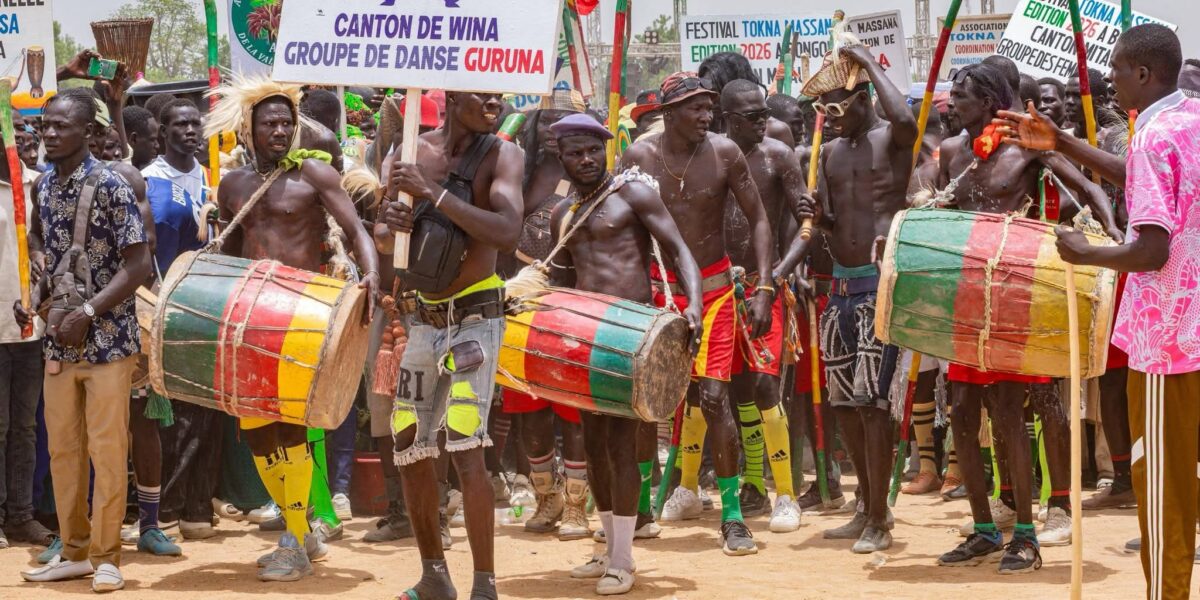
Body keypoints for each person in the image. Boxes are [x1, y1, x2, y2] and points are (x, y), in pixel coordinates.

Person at [997, 23, 1199, 600]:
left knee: (1162, 484)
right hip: (1193, 331)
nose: (1109, 81)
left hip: (1168, 343)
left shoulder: (1150, 134)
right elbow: (1140, 180)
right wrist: (1060, 141)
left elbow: (1151, 249)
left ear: (1143, 73)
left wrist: (1089, 255)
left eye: (1116, 70)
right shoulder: (1189, 118)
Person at [931, 62, 1118, 574]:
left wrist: (1112, 236)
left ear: (991, 102)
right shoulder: (951, 154)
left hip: (1015, 294)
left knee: (1011, 412)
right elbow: (933, 214)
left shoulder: (1029, 149)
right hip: (967, 296)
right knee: (964, 415)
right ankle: (985, 530)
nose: (953, 102)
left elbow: (1091, 190)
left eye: (962, 95)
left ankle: (1027, 536)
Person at [208, 75, 380, 582]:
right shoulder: (233, 184)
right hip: (250, 316)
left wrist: (368, 274)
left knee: (291, 426)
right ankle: (300, 530)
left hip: (301, 315)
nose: (281, 130)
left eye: (287, 122)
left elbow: (355, 230)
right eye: (270, 123)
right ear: (249, 129)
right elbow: (232, 250)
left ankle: (293, 535)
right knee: (256, 431)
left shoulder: (315, 176)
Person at [538, 113, 702, 595]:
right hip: (587, 341)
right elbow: (563, 286)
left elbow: (679, 250)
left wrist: (692, 304)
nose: (586, 160)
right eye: (574, 153)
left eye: (593, 150)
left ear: (606, 149)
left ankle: (624, 560)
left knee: (620, 446)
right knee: (592, 445)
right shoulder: (561, 215)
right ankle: (608, 548)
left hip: (631, 339)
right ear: (561, 158)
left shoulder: (634, 194)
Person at [376, 89, 522, 600]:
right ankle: (434, 575)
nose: (495, 102)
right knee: (408, 440)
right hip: (421, 315)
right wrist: (387, 226)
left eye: (499, 95)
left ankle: (485, 585)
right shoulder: (407, 153)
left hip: (476, 316)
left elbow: (507, 230)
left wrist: (433, 195)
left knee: (464, 441)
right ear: (455, 93)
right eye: (484, 94)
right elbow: (382, 229)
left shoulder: (504, 153)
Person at [622, 71, 773, 556]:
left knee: (714, 399)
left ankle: (731, 517)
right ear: (669, 115)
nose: (707, 116)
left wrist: (765, 286)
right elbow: (623, 226)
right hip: (656, 293)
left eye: (710, 107)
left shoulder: (725, 152)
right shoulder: (640, 157)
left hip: (715, 292)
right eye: (696, 108)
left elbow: (760, 218)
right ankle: (642, 505)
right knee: (646, 402)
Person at [16, 87, 152, 593]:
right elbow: (47, 251)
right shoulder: (44, 188)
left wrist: (91, 311)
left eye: (59, 127)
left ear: (88, 132)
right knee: (63, 451)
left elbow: (139, 264)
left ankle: (108, 555)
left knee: (108, 449)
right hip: (59, 340)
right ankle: (73, 551)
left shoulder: (112, 185)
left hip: (109, 340)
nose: (48, 134)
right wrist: (35, 299)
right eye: (44, 126)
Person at [797, 44, 917, 555]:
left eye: (839, 107)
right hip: (841, 287)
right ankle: (865, 506)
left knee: (874, 407)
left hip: (878, 287)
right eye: (824, 110)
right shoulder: (829, 152)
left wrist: (867, 61)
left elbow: (907, 120)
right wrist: (818, 217)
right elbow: (835, 223)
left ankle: (879, 519)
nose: (830, 118)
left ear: (864, 98)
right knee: (846, 403)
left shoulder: (890, 139)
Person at [719, 79, 805, 532]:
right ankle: (752, 482)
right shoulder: (711, 155)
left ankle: (786, 493)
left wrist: (774, 280)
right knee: (730, 392)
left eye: (763, 114)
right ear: (727, 119)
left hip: (763, 288)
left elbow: (806, 225)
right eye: (750, 116)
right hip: (719, 291)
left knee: (767, 387)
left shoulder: (779, 156)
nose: (761, 122)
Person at [505, 89, 592, 540]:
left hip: (572, 306)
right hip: (520, 305)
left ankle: (577, 504)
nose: (556, 135)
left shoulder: (593, 176)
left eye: (566, 124)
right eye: (547, 124)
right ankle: (546, 497)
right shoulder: (517, 170)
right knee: (530, 412)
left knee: (573, 411)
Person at [0, 110, 53, 552]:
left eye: (24, 131)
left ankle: (20, 516)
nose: (19, 138)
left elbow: (41, 243)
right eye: (10, 131)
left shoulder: (37, 184)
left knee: (25, 428)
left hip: (30, 328)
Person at [698, 52, 796, 147]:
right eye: (705, 91)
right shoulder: (701, 127)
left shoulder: (775, 130)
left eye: (714, 91)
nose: (708, 99)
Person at [122, 106, 159, 171]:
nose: (157, 146)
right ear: (134, 139)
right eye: (152, 140)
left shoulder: (155, 172)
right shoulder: (114, 174)